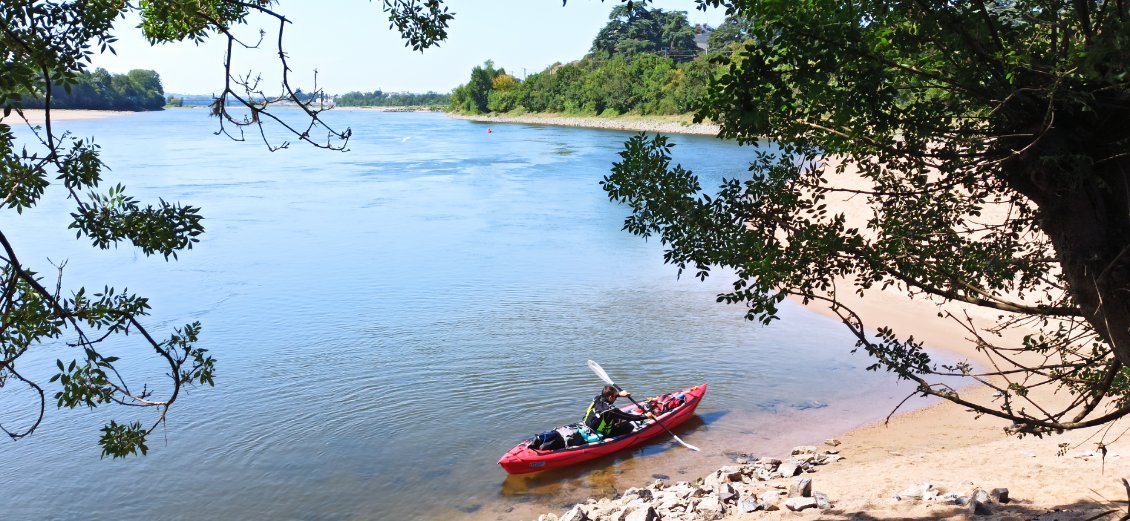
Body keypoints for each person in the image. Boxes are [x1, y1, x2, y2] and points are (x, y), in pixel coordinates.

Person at [583, 385, 656, 438]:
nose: (616, 398)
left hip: (587, 426)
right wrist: (645, 416)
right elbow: (630, 417)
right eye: (615, 397)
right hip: (601, 433)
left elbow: (606, 396)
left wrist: (619, 394)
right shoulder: (611, 410)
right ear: (610, 397)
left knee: (615, 419)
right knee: (629, 426)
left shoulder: (596, 399)